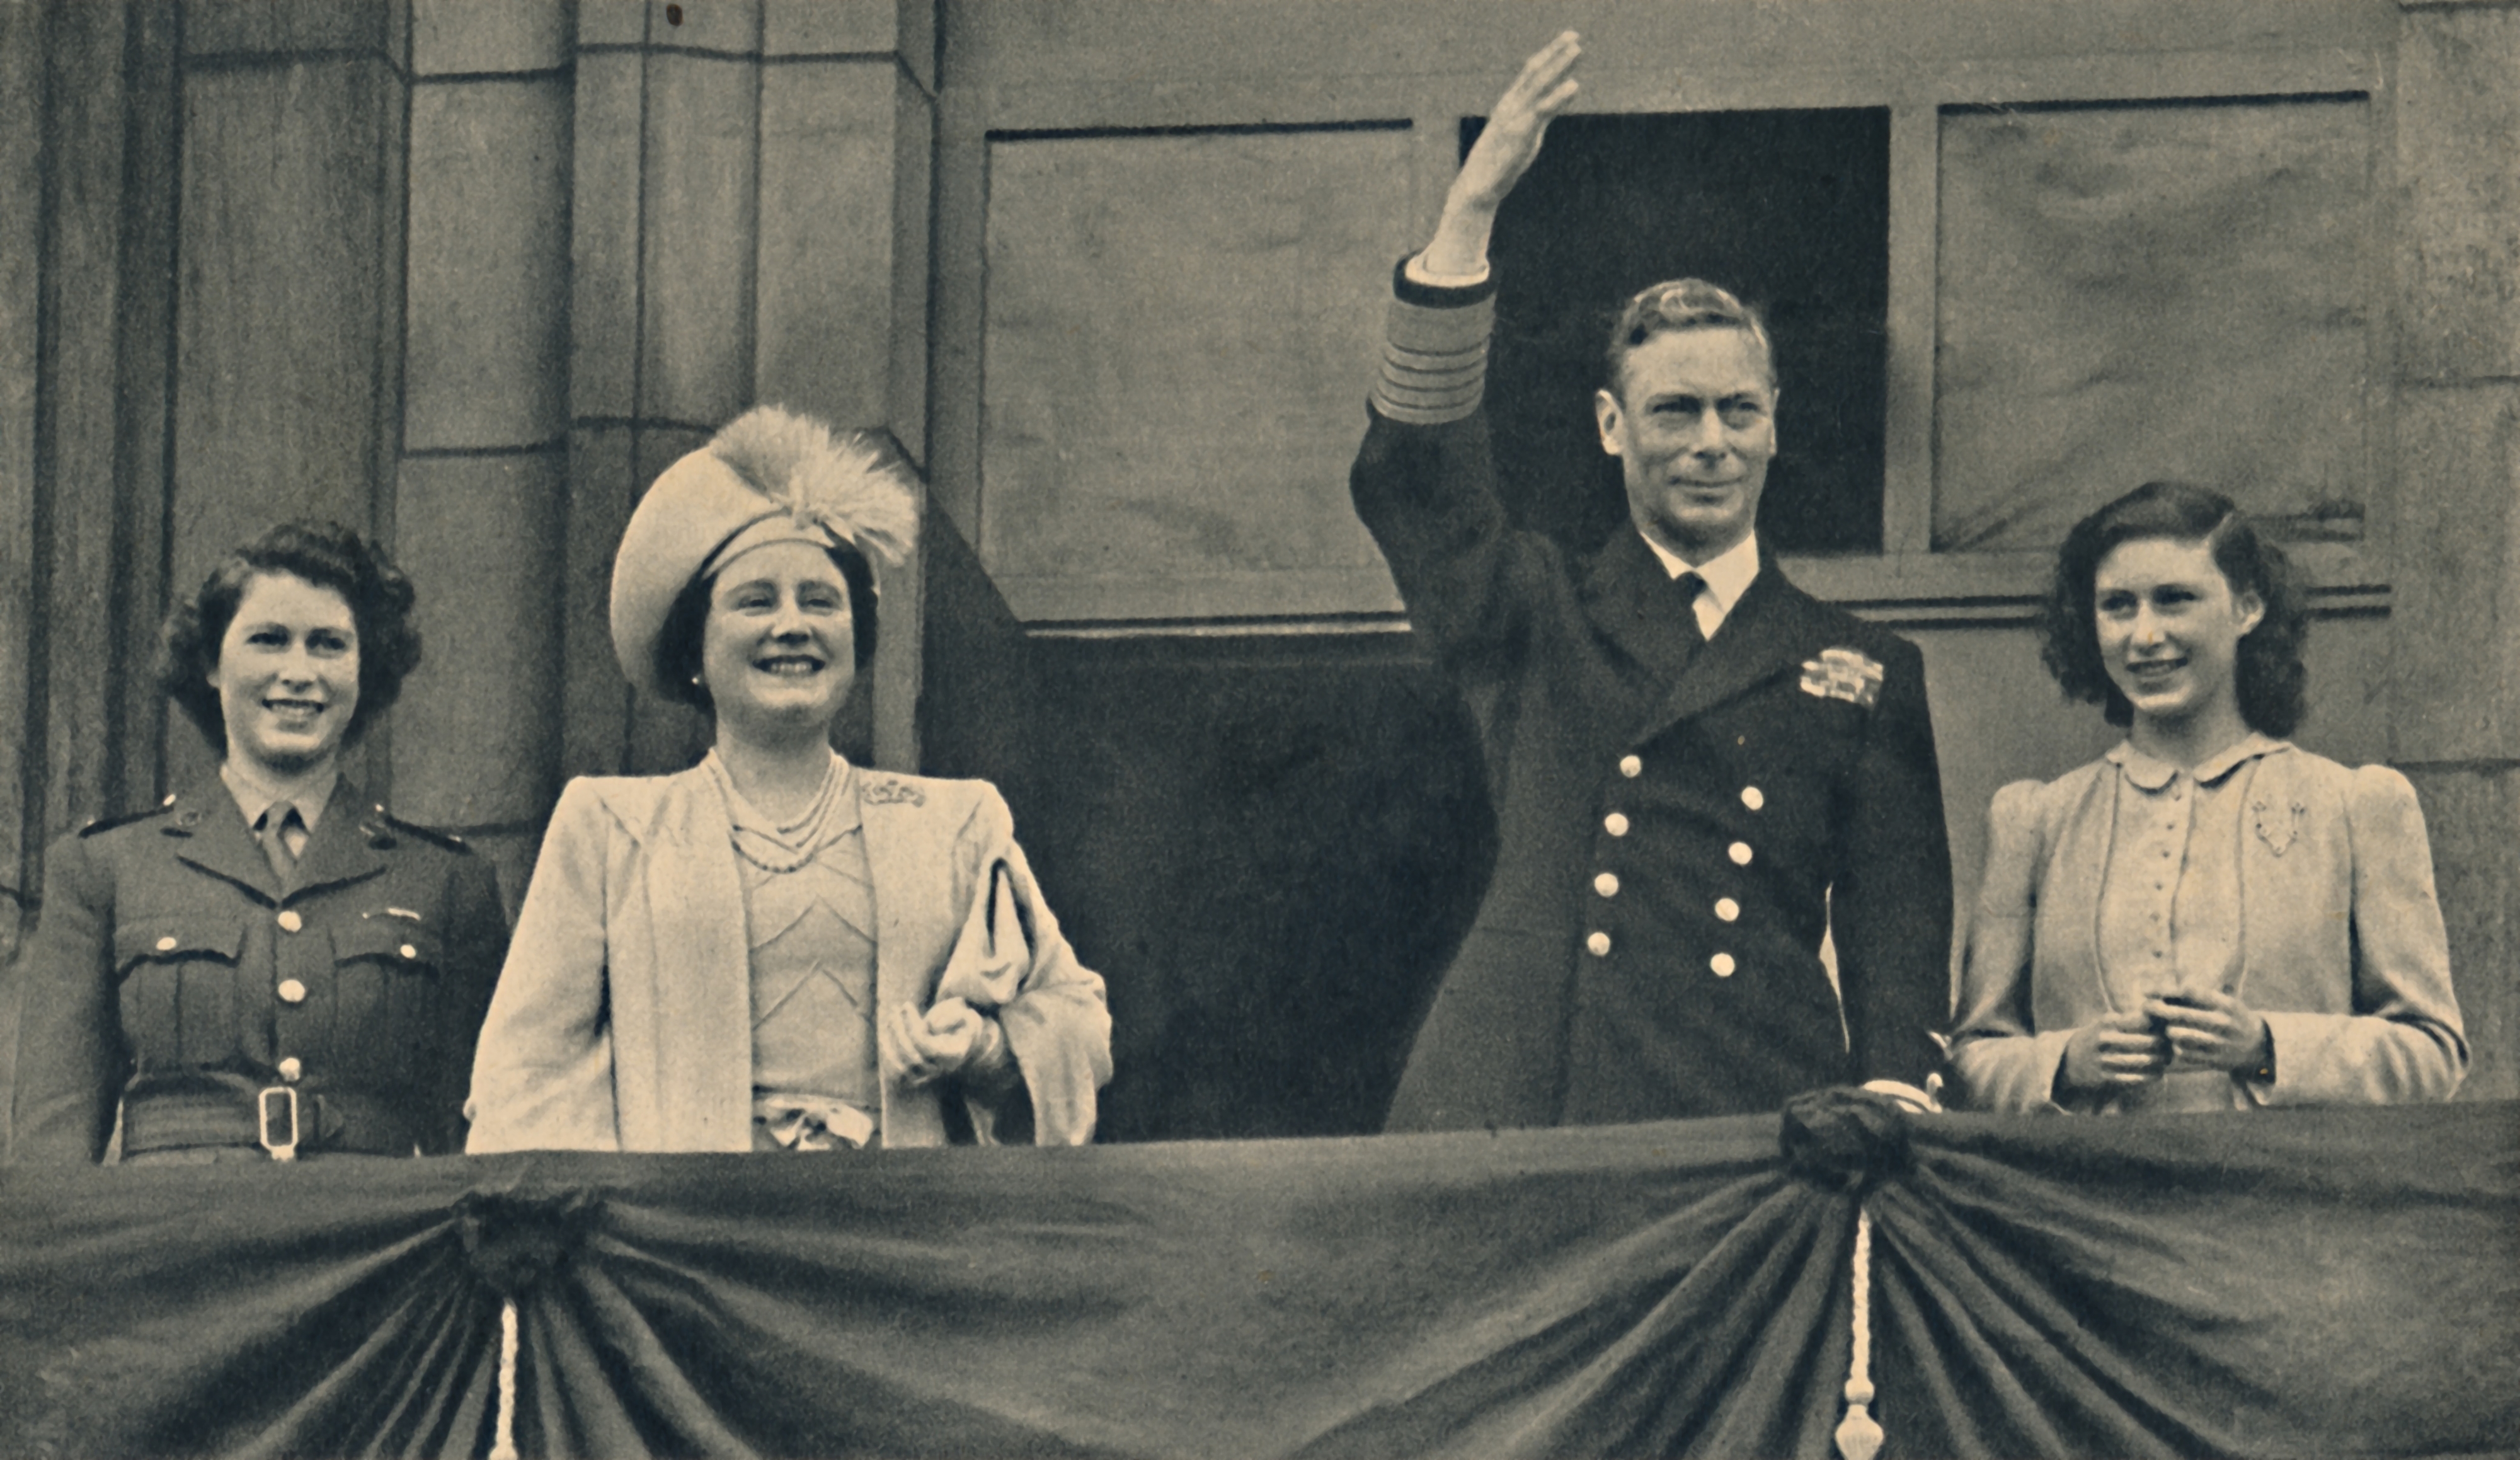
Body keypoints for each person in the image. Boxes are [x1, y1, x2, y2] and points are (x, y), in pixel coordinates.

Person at [1354, 33, 1952, 1130]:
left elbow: (1896, 924)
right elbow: (1419, 484)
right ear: (1610, 425)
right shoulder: (1532, 607)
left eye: (1740, 410)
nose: (1710, 442)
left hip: (1754, 1092)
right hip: (1531, 1083)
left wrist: (1894, 1100)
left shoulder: (1866, 664)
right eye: (1675, 411)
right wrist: (1468, 219)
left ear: (1777, 426)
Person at [464, 406, 1110, 1154]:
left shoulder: (956, 824)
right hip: (688, 1249)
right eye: (755, 601)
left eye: (820, 600)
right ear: (696, 649)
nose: (792, 624)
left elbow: (1079, 1022)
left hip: (902, 1238)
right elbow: (527, 1076)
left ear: (855, 641)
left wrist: (984, 1049)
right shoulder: (610, 826)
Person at [1950, 482, 2468, 1112]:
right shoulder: (2034, 820)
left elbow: (2434, 1055)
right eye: (2117, 606)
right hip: (2078, 1199)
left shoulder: (2357, 805)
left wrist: (2268, 1044)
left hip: (2281, 1202)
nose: (2144, 635)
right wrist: (2065, 1062)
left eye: (2174, 600)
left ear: (2246, 608)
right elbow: (1969, 1059)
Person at [7, 522, 505, 1163]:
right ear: (212, 663)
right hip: (179, 1249)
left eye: (328, 645)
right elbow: (53, 1150)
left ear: (365, 669)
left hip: (372, 1251)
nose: (298, 672)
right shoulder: (105, 867)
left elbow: (471, 1142)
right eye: (269, 640)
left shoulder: (446, 881)